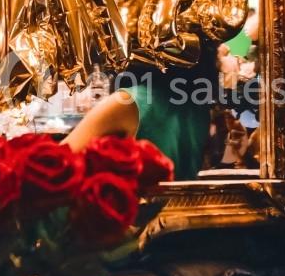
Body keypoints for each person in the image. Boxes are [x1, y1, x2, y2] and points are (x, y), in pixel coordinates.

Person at [63, 41, 219, 181]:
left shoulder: (128, 102)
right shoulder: (198, 108)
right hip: (179, 211)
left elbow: (56, 165)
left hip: (136, 212)